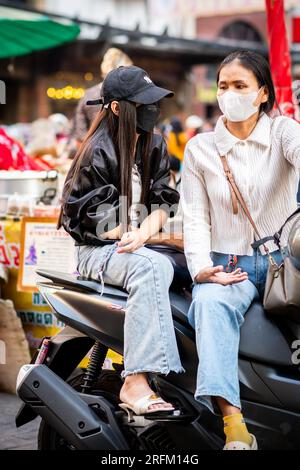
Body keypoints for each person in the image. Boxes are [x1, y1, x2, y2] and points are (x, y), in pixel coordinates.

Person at [181, 50, 300, 450]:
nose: (229, 94)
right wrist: (201, 268)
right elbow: (195, 217)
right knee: (211, 306)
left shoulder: (284, 133)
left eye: (240, 86)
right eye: (223, 86)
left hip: (287, 264)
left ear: (262, 93)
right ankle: (234, 429)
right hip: (229, 266)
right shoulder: (200, 149)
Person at [58, 65, 185, 417]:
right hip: (95, 250)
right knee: (151, 266)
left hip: (134, 241)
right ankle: (135, 380)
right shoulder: (96, 150)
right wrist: (129, 235)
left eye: (154, 103)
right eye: (144, 104)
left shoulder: (155, 143)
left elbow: (163, 201)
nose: (153, 111)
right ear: (117, 107)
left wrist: (142, 234)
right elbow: (89, 216)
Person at [72, 48, 132, 143]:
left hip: (93, 152)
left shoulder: (89, 95)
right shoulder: (131, 95)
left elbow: (80, 135)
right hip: (124, 153)